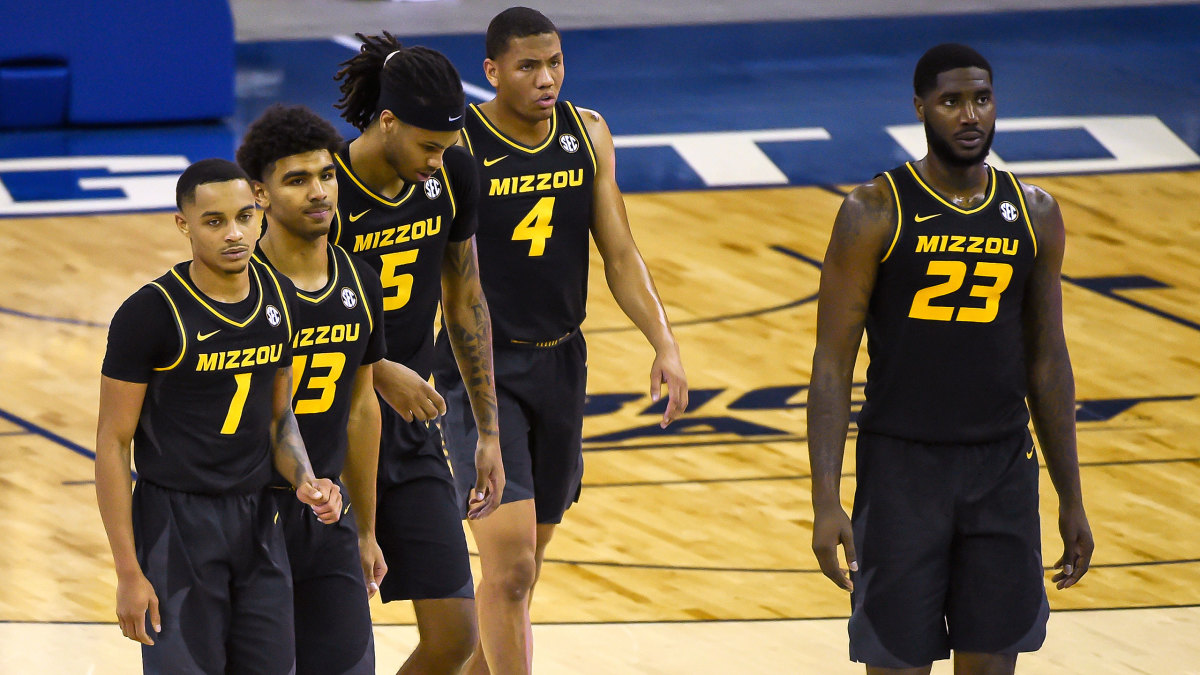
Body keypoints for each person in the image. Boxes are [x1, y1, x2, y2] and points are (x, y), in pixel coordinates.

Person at [807, 43, 1095, 674]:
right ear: (920, 109)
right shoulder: (875, 211)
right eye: (952, 101)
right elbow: (832, 364)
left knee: (993, 662)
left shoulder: (1034, 213)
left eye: (982, 99)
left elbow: (1047, 360)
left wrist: (1070, 496)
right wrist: (826, 499)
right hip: (902, 470)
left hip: (1001, 468)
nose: (970, 115)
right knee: (898, 661)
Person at [435, 8, 689, 674]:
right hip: (481, 368)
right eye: (528, 66)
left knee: (522, 570)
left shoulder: (589, 132)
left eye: (555, 63)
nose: (546, 78)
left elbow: (621, 251)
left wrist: (663, 341)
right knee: (511, 569)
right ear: (491, 73)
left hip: (561, 361)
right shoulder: (459, 148)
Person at [94, 158, 342, 674]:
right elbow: (113, 444)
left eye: (244, 217)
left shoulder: (280, 298)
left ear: (259, 212)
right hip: (176, 522)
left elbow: (280, 419)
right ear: (183, 224)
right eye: (214, 222)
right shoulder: (150, 314)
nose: (234, 234)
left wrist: (306, 479)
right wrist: (128, 571)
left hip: (257, 519)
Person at [331, 33, 505, 674]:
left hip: (409, 428)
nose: (439, 160)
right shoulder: (323, 188)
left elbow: (465, 300)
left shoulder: (453, 174)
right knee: (337, 646)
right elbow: (282, 323)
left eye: (448, 148)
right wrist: (376, 369)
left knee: (455, 633)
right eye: (428, 146)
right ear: (386, 120)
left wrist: (487, 430)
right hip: (328, 426)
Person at [236, 103, 388, 674]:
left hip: (326, 514)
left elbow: (360, 410)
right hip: (248, 517)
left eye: (326, 175)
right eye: (296, 180)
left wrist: (366, 528)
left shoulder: (359, 281)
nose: (319, 192)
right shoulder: (237, 292)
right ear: (261, 194)